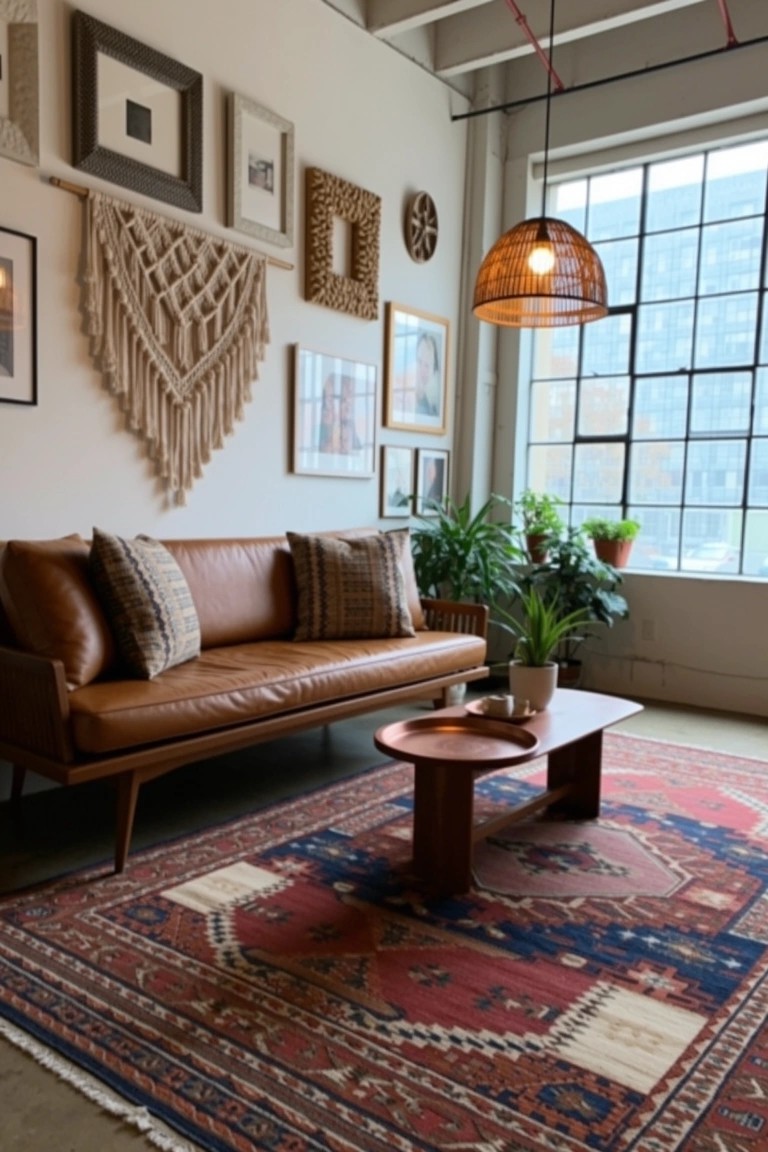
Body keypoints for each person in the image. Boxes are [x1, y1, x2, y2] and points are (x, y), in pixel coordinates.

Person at [414, 332, 440, 417]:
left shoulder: (433, 411)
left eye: (427, 365)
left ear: (434, 371)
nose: (422, 370)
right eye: (419, 361)